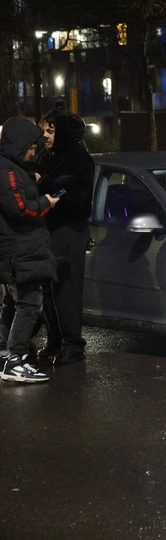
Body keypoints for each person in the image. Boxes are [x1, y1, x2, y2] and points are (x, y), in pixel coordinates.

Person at [0, 116, 59, 382]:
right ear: (18, 144)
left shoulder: (12, 169)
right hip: (20, 249)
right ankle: (15, 359)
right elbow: (20, 208)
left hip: (19, 249)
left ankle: (5, 356)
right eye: (31, 147)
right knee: (29, 304)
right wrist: (45, 202)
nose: (34, 151)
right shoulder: (8, 172)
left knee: (13, 304)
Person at [35, 111, 94, 366]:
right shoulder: (48, 157)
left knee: (66, 289)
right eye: (44, 130)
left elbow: (71, 193)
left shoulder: (79, 160)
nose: (45, 135)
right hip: (50, 228)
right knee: (49, 288)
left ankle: (72, 343)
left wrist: (43, 182)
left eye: (51, 130)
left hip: (69, 230)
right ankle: (55, 340)